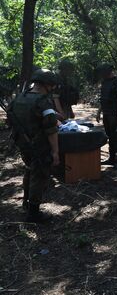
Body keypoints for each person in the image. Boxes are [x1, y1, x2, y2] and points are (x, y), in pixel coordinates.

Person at [7, 69, 60, 223]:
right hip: (39, 145)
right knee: (40, 175)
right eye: (51, 85)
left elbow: (10, 120)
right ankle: (34, 213)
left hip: (23, 144)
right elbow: (51, 130)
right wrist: (56, 152)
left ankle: (26, 203)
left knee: (30, 170)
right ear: (47, 84)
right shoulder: (43, 101)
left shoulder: (19, 98)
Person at [96, 64, 117, 169]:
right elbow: (104, 99)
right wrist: (99, 112)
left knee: (116, 136)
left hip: (115, 114)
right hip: (106, 113)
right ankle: (112, 158)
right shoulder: (105, 82)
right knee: (110, 136)